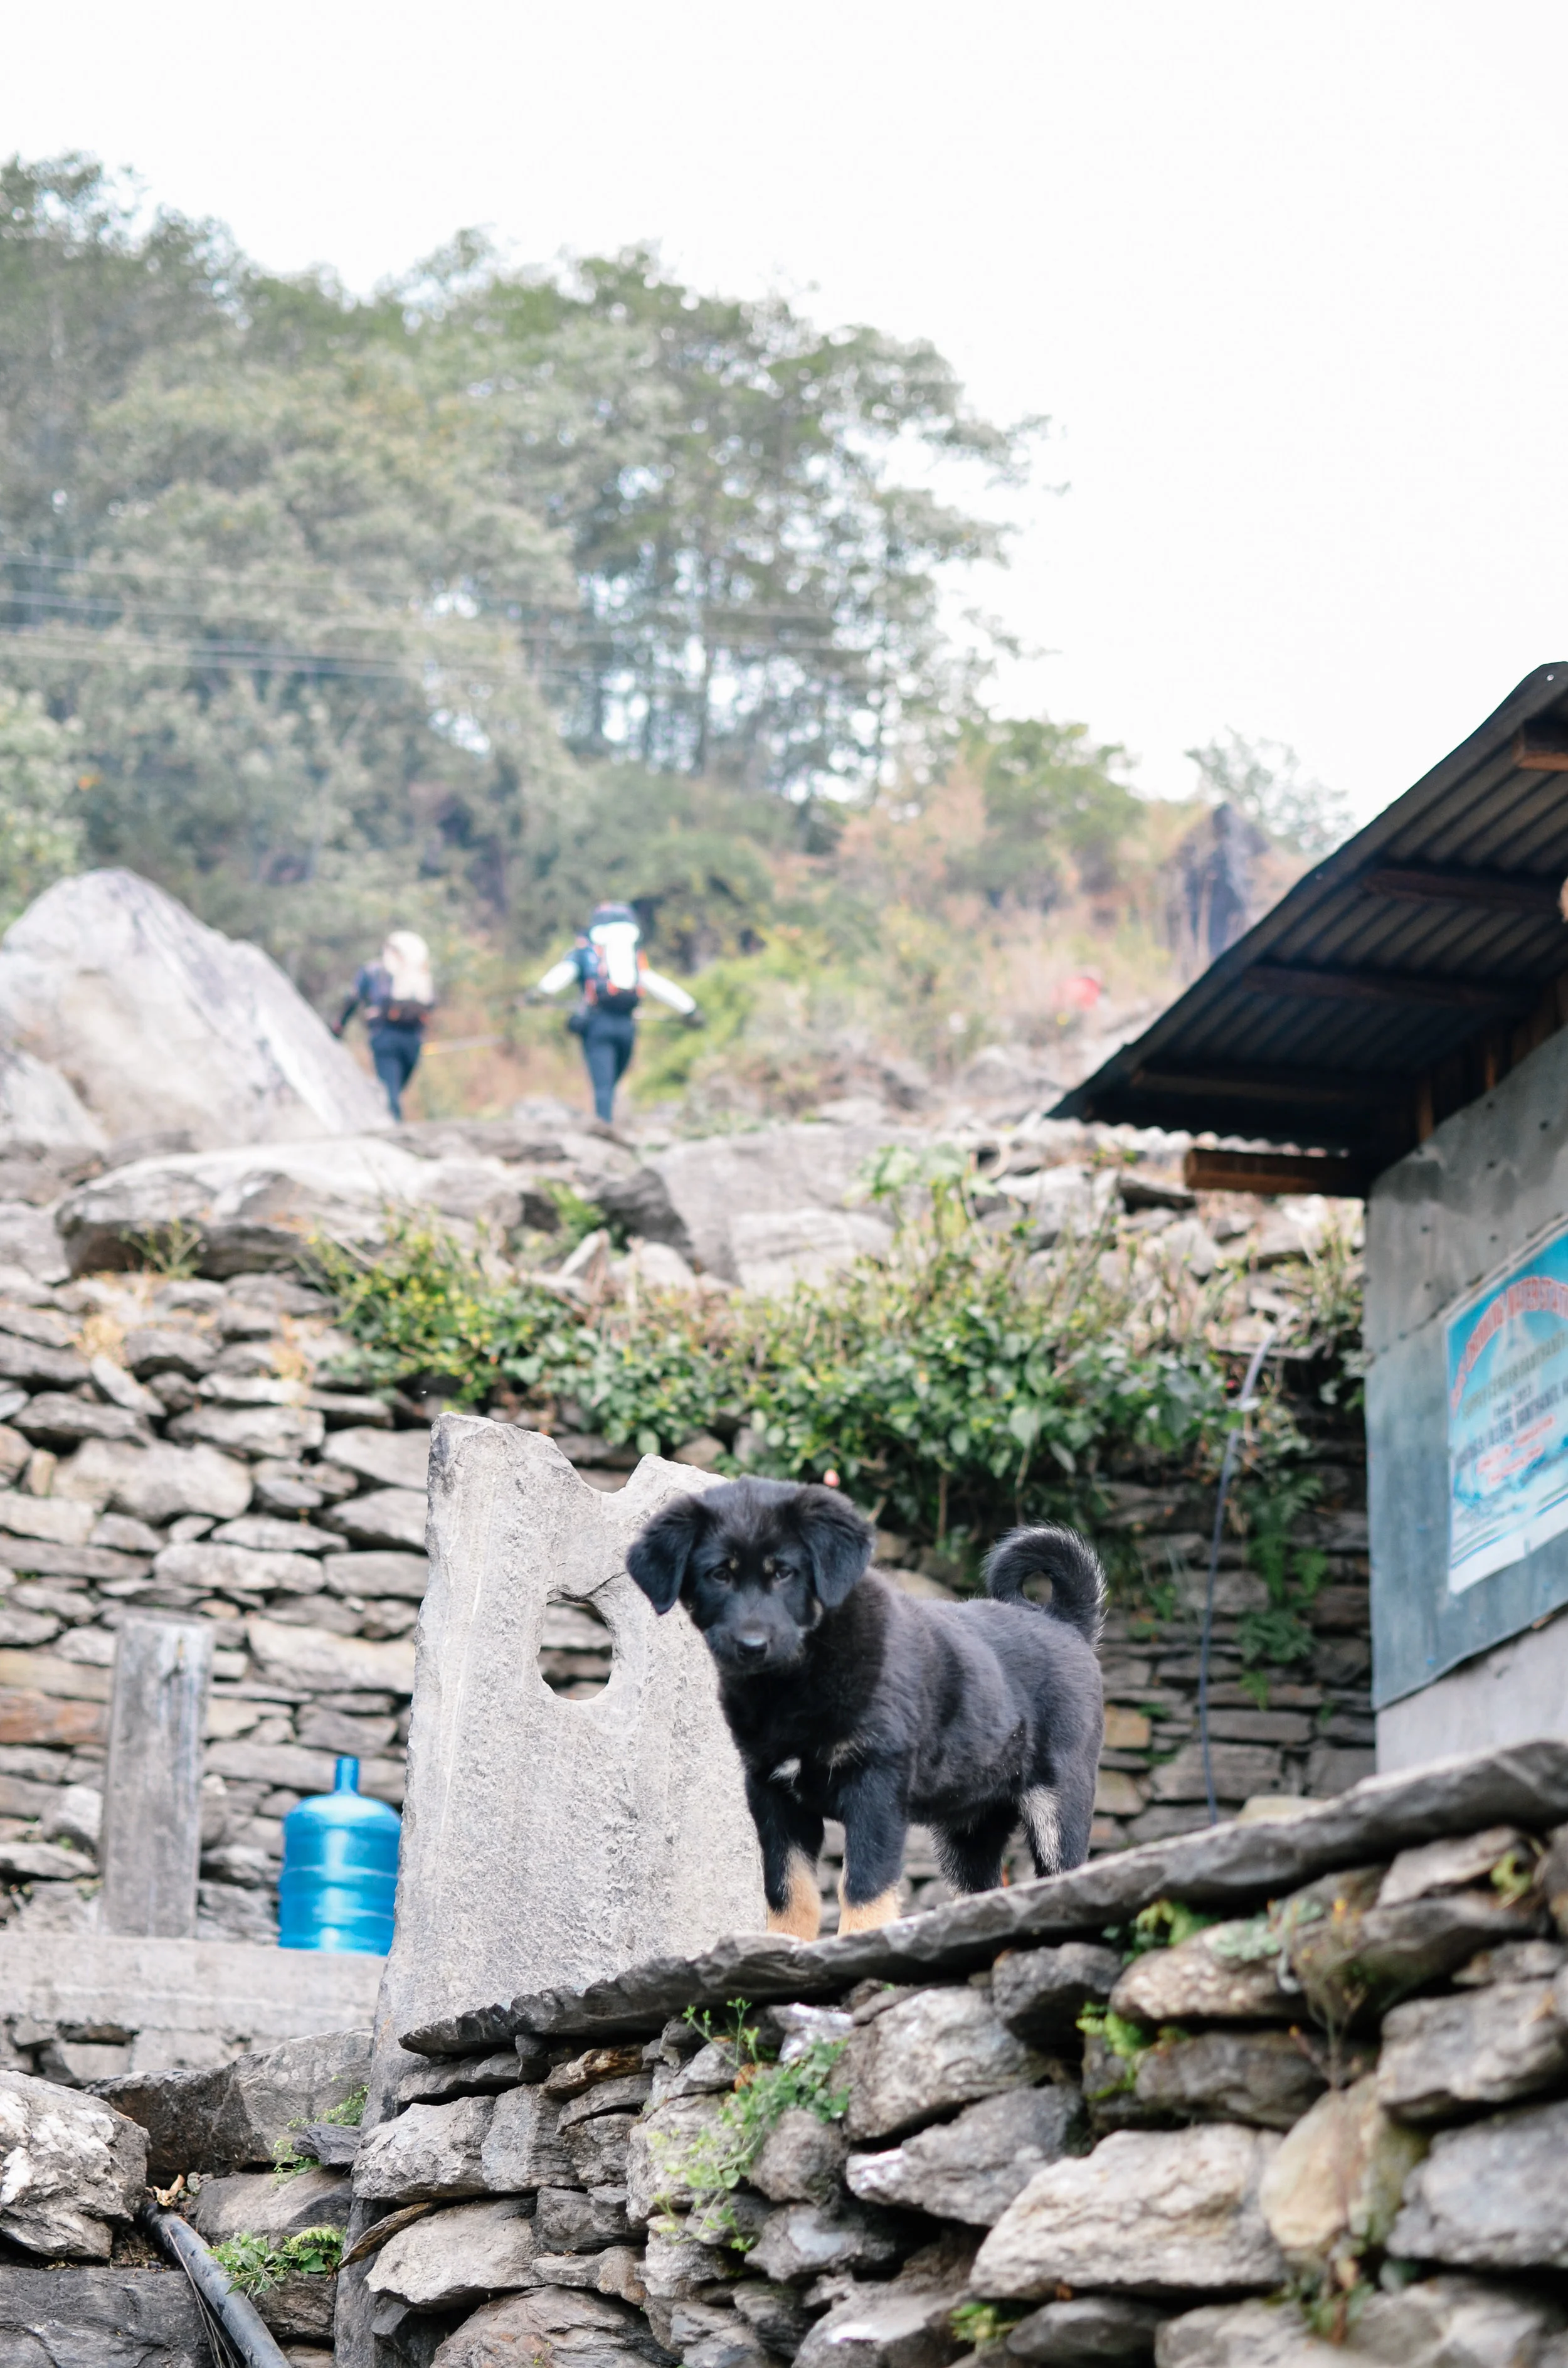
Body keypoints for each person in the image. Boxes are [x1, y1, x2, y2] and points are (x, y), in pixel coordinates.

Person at [536, 903, 701, 1123]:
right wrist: (689, 1009)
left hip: (597, 1024)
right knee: (613, 1080)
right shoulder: (632, 955)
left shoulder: (586, 952)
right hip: (627, 1026)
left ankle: (604, 1126)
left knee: (603, 1084)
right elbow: (656, 983)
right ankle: (607, 1124)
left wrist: (537, 994)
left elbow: (561, 975)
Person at [332, 931, 436, 1120]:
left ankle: (393, 1125)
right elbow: (431, 1005)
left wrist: (339, 1026)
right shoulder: (420, 974)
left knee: (391, 1092)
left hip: (384, 1037)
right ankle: (394, 1124)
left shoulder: (373, 971)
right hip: (412, 1040)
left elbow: (353, 998)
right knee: (394, 1091)